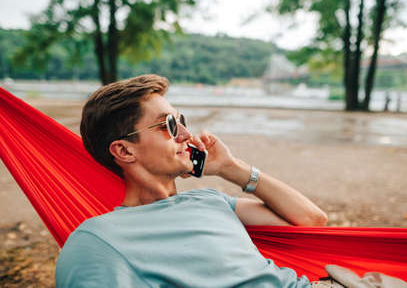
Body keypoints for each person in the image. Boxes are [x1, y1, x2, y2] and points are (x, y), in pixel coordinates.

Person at [55, 74, 328, 287]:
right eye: (169, 125)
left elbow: (312, 221)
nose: (186, 134)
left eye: (181, 120)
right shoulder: (98, 240)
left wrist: (230, 167)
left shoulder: (211, 200)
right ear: (125, 150)